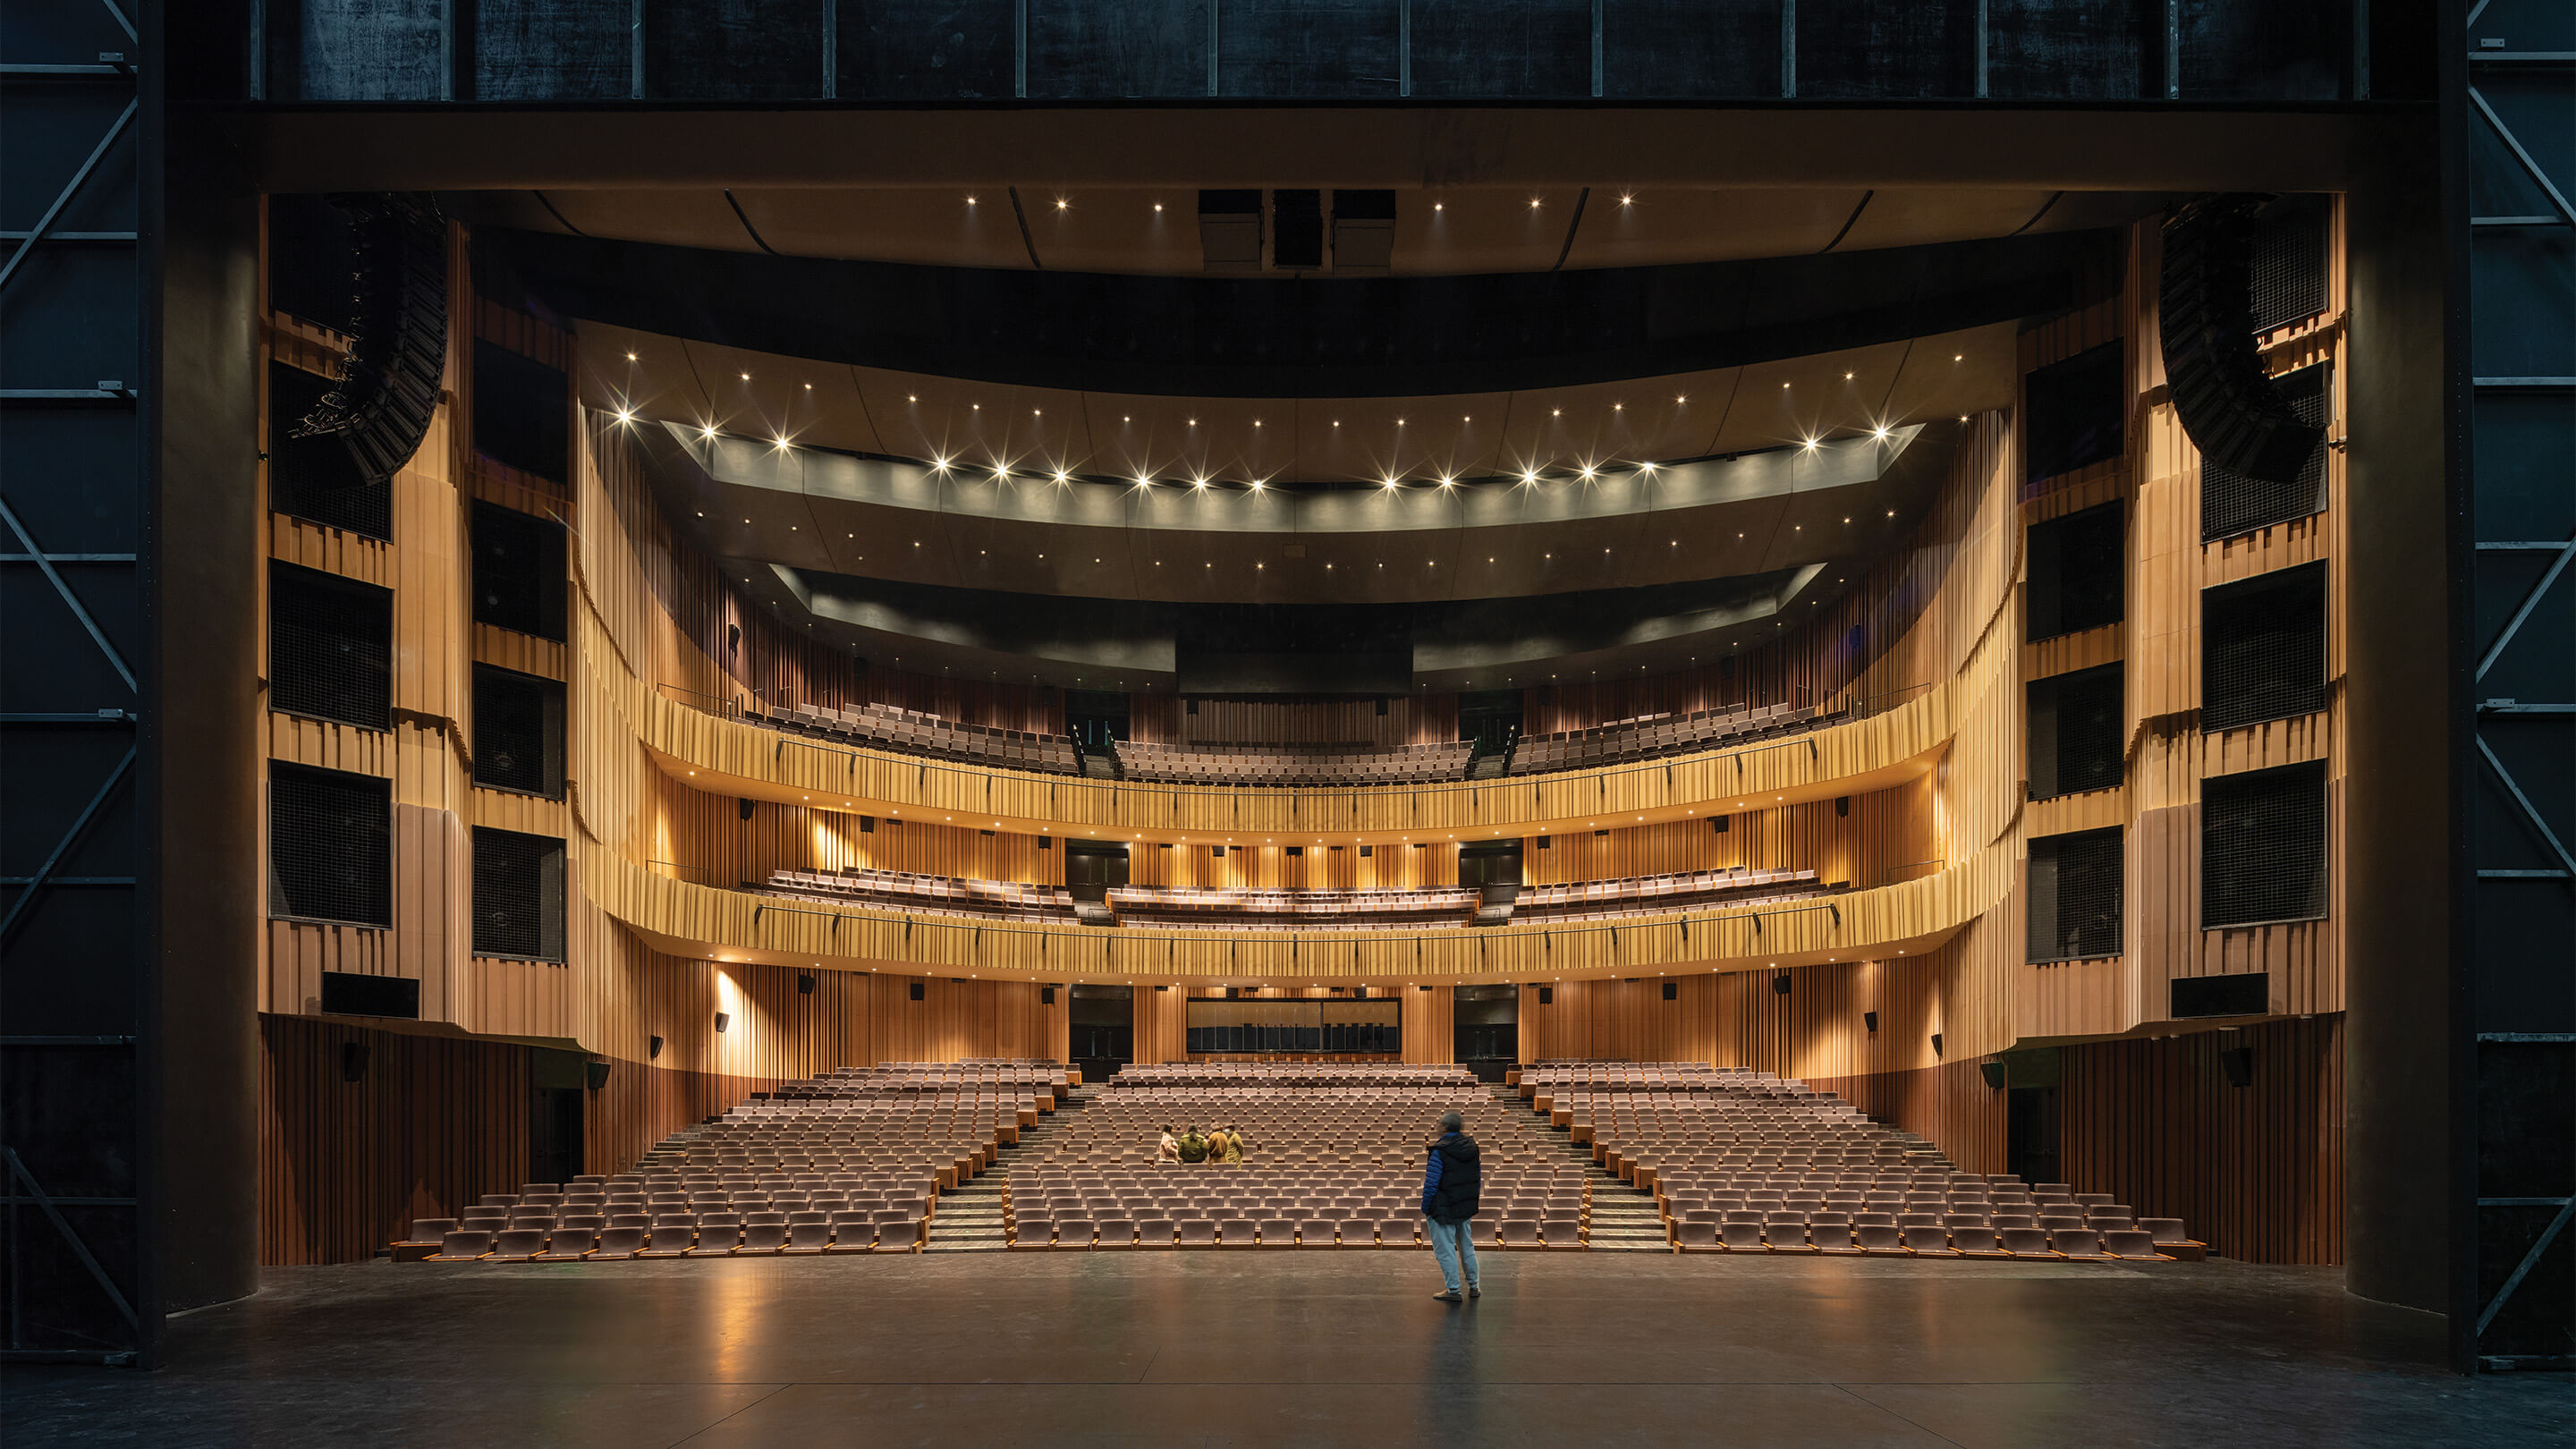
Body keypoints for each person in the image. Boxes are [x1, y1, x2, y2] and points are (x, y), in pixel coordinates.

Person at [1419, 1109, 1481, 1302]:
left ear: (1445, 1127)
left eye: (1440, 1123)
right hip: (1463, 1205)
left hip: (1443, 1207)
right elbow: (1476, 1178)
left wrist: (1426, 1207)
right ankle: (1474, 1286)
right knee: (1466, 1246)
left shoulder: (1440, 1150)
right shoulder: (1472, 1148)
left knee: (1445, 1249)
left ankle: (1453, 1290)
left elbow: (1431, 1183)